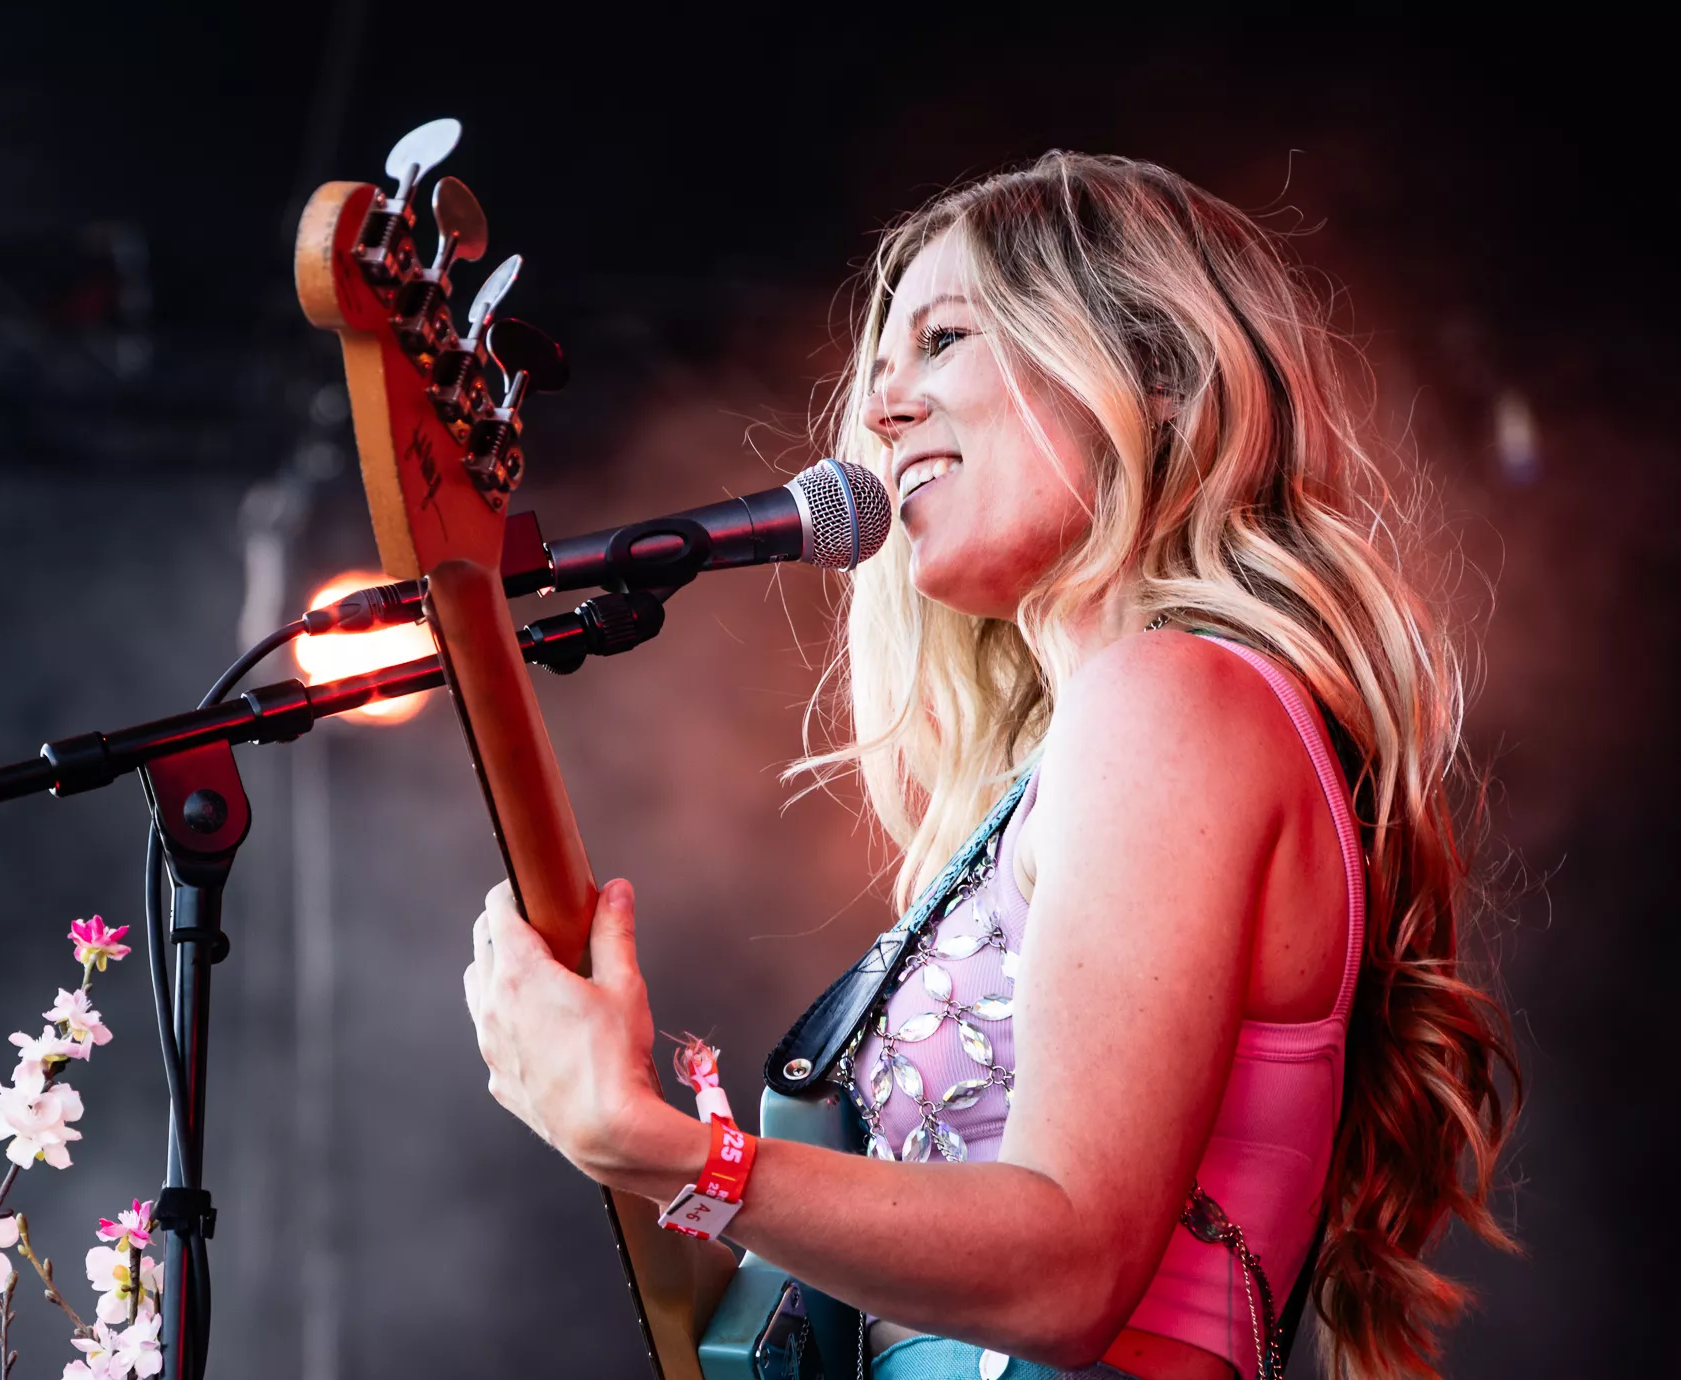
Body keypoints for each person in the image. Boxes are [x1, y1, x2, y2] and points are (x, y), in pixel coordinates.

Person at [462, 152, 1518, 1380]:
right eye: (880, 371)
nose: (883, 412)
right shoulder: (1111, 741)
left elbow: (1068, 1271)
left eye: (945, 338)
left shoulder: (1170, 695)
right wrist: (636, 1143)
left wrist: (664, 1149)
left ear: (1157, 373)